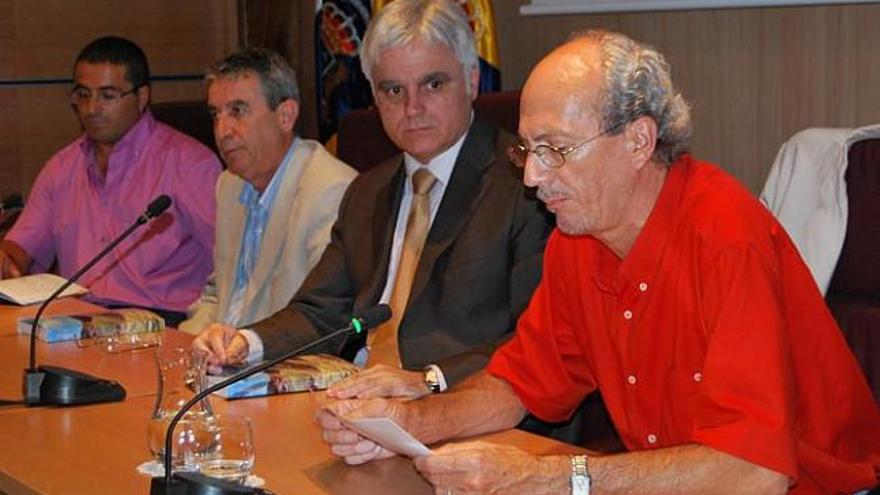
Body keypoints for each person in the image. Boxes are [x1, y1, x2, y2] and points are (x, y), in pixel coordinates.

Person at [316, 30, 880, 494]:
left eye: (555, 150)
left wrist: (556, 478)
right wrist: (404, 423)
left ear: (638, 141)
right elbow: (521, 384)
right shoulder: (579, 238)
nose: (533, 178)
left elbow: (754, 472)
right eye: (528, 150)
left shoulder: (725, 239)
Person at [193, 0, 551, 398]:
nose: (412, 108)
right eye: (393, 90)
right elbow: (319, 312)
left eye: (433, 84)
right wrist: (247, 342)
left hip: (467, 408)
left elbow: (538, 338)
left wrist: (429, 380)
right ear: (374, 97)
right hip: (358, 401)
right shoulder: (367, 192)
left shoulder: (526, 186)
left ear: (471, 80)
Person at [0, 36, 220, 325]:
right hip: (77, 323)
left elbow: (235, 262)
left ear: (142, 98)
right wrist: (6, 258)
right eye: (83, 94)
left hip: (161, 324)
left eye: (108, 95)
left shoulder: (191, 164)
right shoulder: (61, 167)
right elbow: (21, 249)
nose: (91, 109)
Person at [177, 49, 356, 335]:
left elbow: (320, 317)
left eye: (238, 111)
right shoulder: (229, 184)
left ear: (285, 115)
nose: (222, 131)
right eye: (215, 114)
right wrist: (185, 343)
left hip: (281, 364)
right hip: (223, 361)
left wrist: (242, 349)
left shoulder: (331, 191)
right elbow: (218, 294)